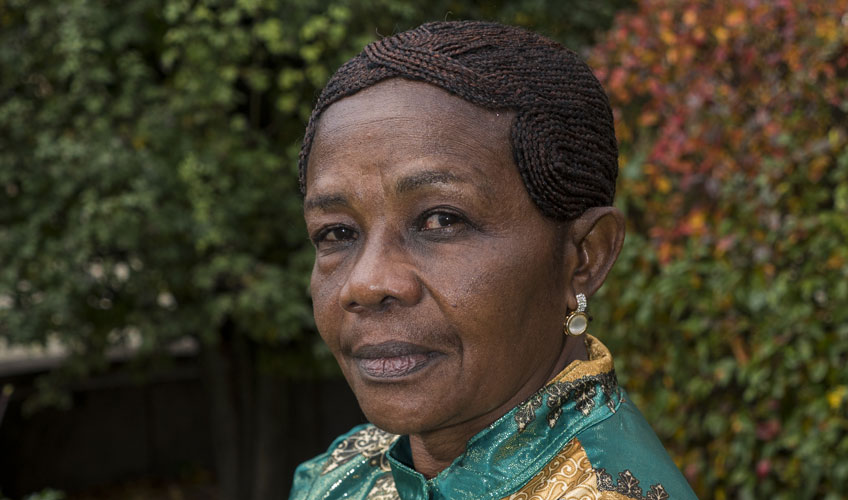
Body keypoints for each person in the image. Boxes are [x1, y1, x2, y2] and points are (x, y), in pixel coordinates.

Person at [292, 20, 697, 500]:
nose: (366, 282)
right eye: (338, 233)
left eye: (441, 221)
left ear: (585, 256)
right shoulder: (337, 479)